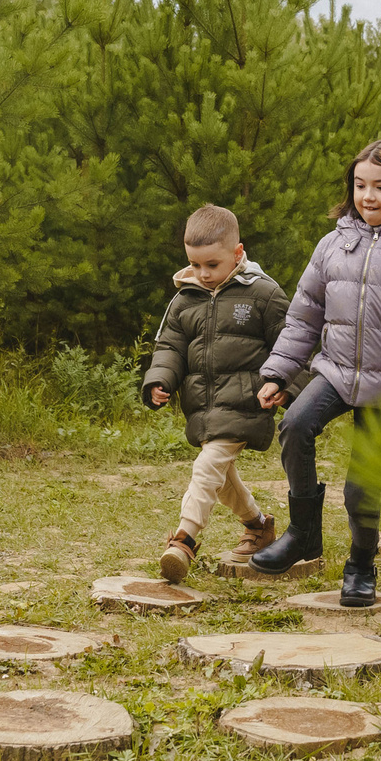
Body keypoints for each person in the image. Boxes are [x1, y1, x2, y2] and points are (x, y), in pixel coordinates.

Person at [249, 139, 381, 607]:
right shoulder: (332, 245)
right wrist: (278, 374)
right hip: (336, 372)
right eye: (361, 185)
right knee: (296, 425)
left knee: (363, 485)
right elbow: (304, 316)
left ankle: (361, 565)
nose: (368, 196)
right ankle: (303, 534)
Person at [140, 204, 288, 582]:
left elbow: (291, 344)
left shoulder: (263, 293)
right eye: (195, 264)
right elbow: (170, 348)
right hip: (203, 405)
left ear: (238, 253)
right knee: (221, 477)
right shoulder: (184, 299)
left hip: (245, 400)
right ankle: (258, 525)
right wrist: (160, 381)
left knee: (207, 468)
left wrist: (285, 384)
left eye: (212, 264)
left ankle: (185, 539)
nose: (202, 274)